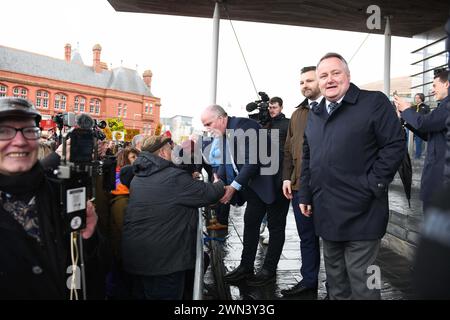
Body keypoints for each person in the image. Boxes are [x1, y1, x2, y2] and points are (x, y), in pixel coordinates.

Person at [299, 53, 405, 300]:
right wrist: (305, 192)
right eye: (323, 75)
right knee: (335, 284)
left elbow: (395, 145)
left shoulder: (374, 102)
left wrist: (373, 184)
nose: (330, 80)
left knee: (365, 285)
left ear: (348, 76)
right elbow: (308, 157)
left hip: (364, 214)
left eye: (336, 73)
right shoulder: (315, 112)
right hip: (326, 212)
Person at [0, 97, 98, 299]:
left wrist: (88, 240)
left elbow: (90, 271)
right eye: (4, 131)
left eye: (28, 130)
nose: (19, 141)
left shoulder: (60, 192)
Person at [121, 135, 225, 300]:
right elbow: (209, 193)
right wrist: (219, 182)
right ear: (162, 152)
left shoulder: (138, 176)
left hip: (138, 257)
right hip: (164, 263)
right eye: (170, 149)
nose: (173, 151)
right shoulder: (173, 177)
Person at [201, 105, 278, 286]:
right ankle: (246, 267)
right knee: (250, 224)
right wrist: (218, 179)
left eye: (208, 123)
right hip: (252, 186)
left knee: (275, 227)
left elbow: (253, 161)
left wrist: (233, 187)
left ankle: (269, 270)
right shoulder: (223, 134)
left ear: (220, 118)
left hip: (272, 184)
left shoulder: (245, 126)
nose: (207, 128)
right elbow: (225, 160)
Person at [281, 66, 323, 297]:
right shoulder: (297, 114)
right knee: (307, 237)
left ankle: (338, 287)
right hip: (298, 187)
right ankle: (309, 281)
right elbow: (288, 149)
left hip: (326, 187)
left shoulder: (331, 109)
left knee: (335, 240)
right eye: (301, 82)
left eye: (309, 80)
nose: (304, 85)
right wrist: (287, 177)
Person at [394, 68, 450, 212]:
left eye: (435, 85)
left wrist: (406, 109)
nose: (432, 89)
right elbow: (428, 134)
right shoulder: (443, 107)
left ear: (447, 84)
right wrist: (406, 120)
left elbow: (424, 123)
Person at [412, 93, 430, 159]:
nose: (416, 99)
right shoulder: (413, 107)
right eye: (415, 98)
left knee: (418, 141)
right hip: (411, 126)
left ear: (421, 98)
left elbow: (428, 117)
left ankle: (417, 156)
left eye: (417, 98)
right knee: (408, 140)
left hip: (420, 127)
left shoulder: (426, 107)